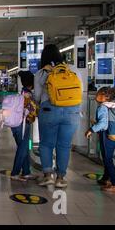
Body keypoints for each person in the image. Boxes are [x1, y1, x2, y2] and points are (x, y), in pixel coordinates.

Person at [34, 44, 81, 188]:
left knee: (47, 144)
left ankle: (48, 175)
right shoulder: (72, 71)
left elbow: (36, 96)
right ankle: (60, 178)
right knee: (64, 146)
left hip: (49, 110)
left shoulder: (42, 73)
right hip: (71, 111)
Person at [85, 88, 115, 193]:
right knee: (108, 157)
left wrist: (91, 130)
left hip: (106, 136)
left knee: (107, 159)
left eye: (98, 94)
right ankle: (105, 179)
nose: (96, 96)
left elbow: (103, 124)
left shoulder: (103, 107)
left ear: (104, 96)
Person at [10, 71, 38, 182]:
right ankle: (15, 172)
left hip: (16, 124)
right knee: (23, 148)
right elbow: (33, 111)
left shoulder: (21, 93)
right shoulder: (28, 95)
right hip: (23, 124)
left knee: (24, 147)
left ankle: (26, 172)